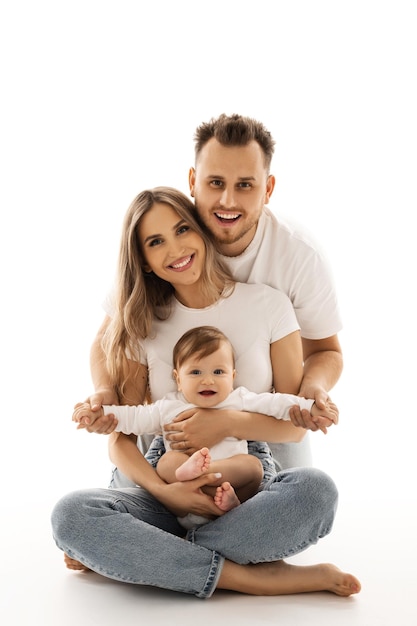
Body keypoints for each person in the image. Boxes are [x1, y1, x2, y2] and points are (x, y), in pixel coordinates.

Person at [51, 186, 361, 597]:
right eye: (156, 241)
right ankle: (250, 577)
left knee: (316, 491)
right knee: (71, 516)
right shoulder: (143, 321)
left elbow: (290, 417)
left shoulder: (268, 305)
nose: (176, 248)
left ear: (200, 229)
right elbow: (121, 438)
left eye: (182, 229)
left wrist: (301, 406)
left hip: (242, 489)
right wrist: (168, 493)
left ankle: (153, 561)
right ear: (142, 259)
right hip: (162, 489)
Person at [85, 113, 343, 471]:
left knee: (308, 489)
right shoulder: (173, 233)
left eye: (245, 185)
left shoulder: (296, 258)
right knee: (78, 511)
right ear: (194, 182)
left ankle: (212, 523)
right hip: (171, 441)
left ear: (267, 189)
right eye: (216, 182)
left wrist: (312, 388)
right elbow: (108, 338)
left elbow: (325, 350)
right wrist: (106, 394)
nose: (227, 201)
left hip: (262, 431)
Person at [73, 325, 338, 529]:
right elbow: (132, 418)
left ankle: (223, 496)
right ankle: (194, 479)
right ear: (178, 379)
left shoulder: (240, 399)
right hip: (180, 495)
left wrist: (313, 408)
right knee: (168, 462)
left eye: (219, 372)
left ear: (233, 376)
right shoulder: (168, 407)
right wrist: (100, 413)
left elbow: (279, 404)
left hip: (228, 483)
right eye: (196, 373)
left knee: (252, 467)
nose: (207, 380)